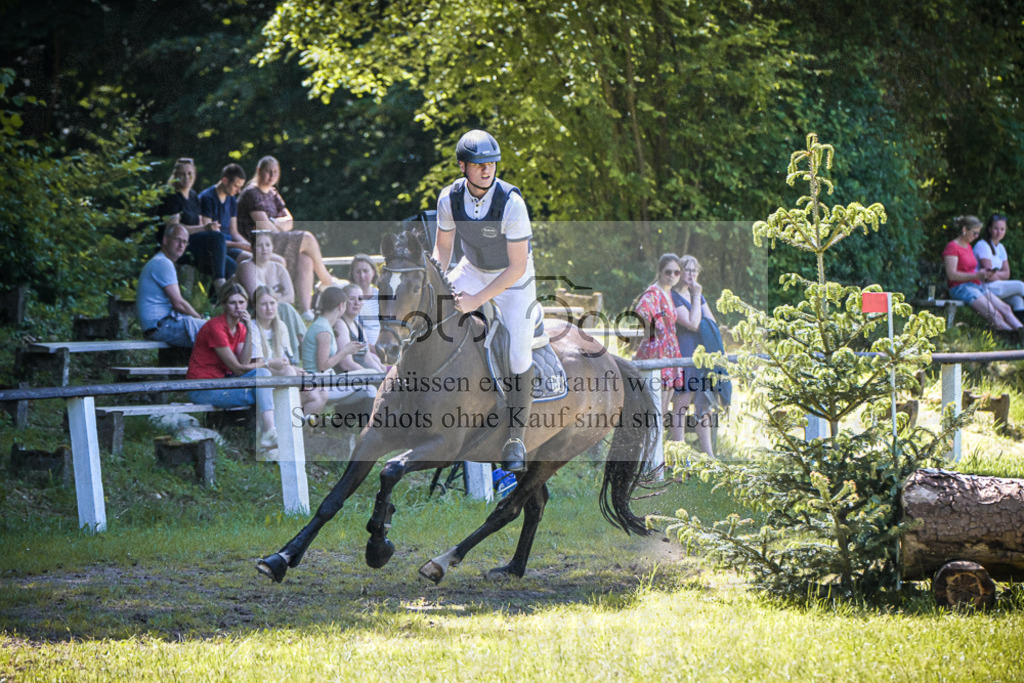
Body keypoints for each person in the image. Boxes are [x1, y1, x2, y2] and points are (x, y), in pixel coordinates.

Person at [431, 129, 539, 473]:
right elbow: (443, 250)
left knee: (519, 352)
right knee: (430, 312)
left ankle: (516, 439)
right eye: (479, 164)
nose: (487, 169)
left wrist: (475, 299)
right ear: (463, 166)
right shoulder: (449, 198)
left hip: (513, 279)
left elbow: (517, 266)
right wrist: (437, 285)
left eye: (491, 163)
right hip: (473, 268)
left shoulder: (511, 202)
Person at [236, 156, 338, 317]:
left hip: (275, 239)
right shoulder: (251, 193)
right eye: (268, 171)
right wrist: (278, 224)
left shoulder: (273, 193)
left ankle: (305, 310)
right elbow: (264, 226)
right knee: (308, 238)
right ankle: (327, 281)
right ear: (258, 171)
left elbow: (289, 221)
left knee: (306, 259)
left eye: (275, 172)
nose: (271, 176)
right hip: (258, 243)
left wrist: (275, 223)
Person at [186, 284, 277, 448]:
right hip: (203, 387)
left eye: (242, 302)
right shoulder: (215, 327)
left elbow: (244, 362)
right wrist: (268, 361)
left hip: (224, 383)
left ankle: (269, 433)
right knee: (266, 392)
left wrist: (250, 328)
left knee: (263, 375)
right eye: (233, 303)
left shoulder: (241, 328)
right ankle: (267, 438)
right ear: (224, 305)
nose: (238, 307)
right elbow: (237, 369)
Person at [669, 255, 730, 457]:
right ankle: (680, 455)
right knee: (682, 403)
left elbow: (710, 323)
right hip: (684, 350)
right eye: (687, 270)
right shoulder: (674, 296)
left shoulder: (698, 295)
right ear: (679, 272)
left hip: (702, 353)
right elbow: (693, 324)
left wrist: (697, 298)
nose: (691, 274)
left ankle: (709, 457)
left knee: (704, 404)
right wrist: (696, 297)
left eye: (695, 271)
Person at [158, 158, 236, 293]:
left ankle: (213, 303)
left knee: (231, 265)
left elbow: (199, 224)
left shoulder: (193, 196)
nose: (186, 177)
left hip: (192, 244)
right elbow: (174, 230)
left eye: (189, 174)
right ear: (175, 176)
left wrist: (209, 228)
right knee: (217, 238)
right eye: (182, 174)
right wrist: (205, 229)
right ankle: (219, 282)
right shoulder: (171, 196)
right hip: (177, 247)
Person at [251, 285, 328, 417]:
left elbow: (286, 360)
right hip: (261, 373)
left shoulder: (280, 326)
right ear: (255, 306)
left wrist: (300, 373)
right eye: (264, 304)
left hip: (281, 370)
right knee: (292, 374)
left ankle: (300, 431)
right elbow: (257, 362)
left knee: (321, 391)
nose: (269, 308)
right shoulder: (252, 327)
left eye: (272, 303)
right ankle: (287, 426)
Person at [300, 286, 377, 416]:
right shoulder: (323, 329)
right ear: (341, 306)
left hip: (326, 379)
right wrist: (346, 351)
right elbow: (322, 366)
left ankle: (359, 428)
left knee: (370, 387)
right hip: (319, 381)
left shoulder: (324, 324)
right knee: (373, 375)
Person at [943, 215, 1023, 336]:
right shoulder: (952, 247)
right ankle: (1013, 340)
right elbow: (952, 275)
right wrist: (977, 275)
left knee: (1006, 309)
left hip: (976, 286)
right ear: (965, 229)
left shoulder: (968, 246)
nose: (976, 237)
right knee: (995, 316)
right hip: (961, 288)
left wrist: (980, 275)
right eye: (974, 233)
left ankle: (1020, 335)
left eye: (978, 234)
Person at [236, 231, 308, 353]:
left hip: (271, 310)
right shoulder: (247, 266)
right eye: (259, 245)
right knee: (284, 307)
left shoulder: (278, 267)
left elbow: (291, 297)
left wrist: (270, 299)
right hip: (253, 311)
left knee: (284, 307)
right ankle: (303, 349)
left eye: (267, 245)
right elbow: (257, 298)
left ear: (273, 247)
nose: (264, 249)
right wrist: (278, 295)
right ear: (252, 248)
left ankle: (305, 346)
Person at [136, 224, 206, 347]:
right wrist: (200, 318)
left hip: (159, 325)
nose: (181, 245)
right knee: (216, 332)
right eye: (178, 240)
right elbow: (178, 303)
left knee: (215, 332)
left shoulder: (159, 261)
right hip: (159, 326)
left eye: (184, 242)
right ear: (165, 240)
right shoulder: (163, 263)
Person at [633, 254, 686, 412]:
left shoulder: (667, 292)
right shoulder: (654, 292)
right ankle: (652, 437)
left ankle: (659, 437)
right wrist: (655, 331)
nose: (672, 276)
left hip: (670, 350)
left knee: (662, 407)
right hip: (657, 349)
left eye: (676, 272)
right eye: (667, 272)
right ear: (660, 272)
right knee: (654, 406)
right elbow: (642, 310)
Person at [198, 163, 255, 267]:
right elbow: (209, 235)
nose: (239, 191)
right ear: (225, 180)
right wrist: (240, 246)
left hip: (231, 245)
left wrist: (250, 246)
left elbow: (234, 233)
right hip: (217, 247)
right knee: (252, 262)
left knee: (272, 259)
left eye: (241, 187)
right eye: (236, 186)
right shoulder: (207, 198)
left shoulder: (232, 199)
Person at [973, 213, 1024, 322]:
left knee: (1017, 300)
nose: (999, 232)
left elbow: (1007, 274)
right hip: (984, 287)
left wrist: (996, 275)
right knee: (1020, 286)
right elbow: (988, 276)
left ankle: (1018, 335)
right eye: (996, 228)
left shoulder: (1000, 247)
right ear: (990, 229)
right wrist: (998, 275)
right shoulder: (983, 245)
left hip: (996, 286)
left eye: (1002, 229)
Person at [334, 283, 386, 373]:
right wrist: (373, 377)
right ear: (343, 302)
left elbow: (367, 358)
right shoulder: (340, 324)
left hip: (365, 376)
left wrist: (382, 375)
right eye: (352, 299)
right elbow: (346, 364)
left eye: (360, 299)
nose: (357, 303)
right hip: (350, 378)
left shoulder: (358, 325)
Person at [348, 254, 382, 350]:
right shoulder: (348, 299)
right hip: (361, 351)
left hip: (383, 349)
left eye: (365, 271)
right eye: (358, 272)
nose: (362, 276)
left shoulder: (382, 296)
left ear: (373, 272)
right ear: (352, 274)